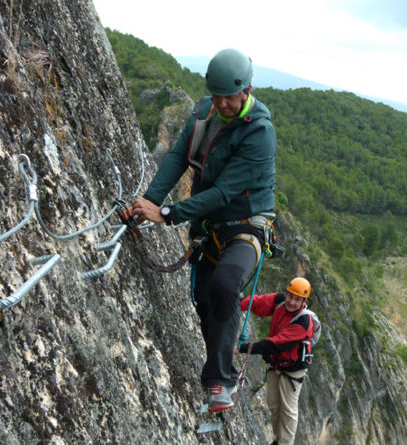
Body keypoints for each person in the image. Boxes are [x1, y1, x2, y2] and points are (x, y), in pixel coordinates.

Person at [132, 48, 277, 413]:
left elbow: (225, 192)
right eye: (218, 96)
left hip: (247, 225)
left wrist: (166, 213)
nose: (224, 104)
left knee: (225, 284)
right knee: (204, 304)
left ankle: (219, 383)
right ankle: (218, 374)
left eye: (230, 96)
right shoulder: (202, 115)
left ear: (247, 90)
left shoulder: (259, 132)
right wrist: (145, 204)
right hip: (209, 226)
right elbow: (179, 158)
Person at [235, 277, 315, 445]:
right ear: (286, 293)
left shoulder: (303, 322)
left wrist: (242, 348)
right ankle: (278, 440)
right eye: (290, 296)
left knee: (288, 410)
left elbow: (276, 344)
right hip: (276, 364)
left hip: (293, 370)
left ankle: (284, 443)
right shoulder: (280, 301)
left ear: (303, 301)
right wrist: (237, 305)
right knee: (274, 405)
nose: (292, 302)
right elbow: (257, 303)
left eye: (297, 299)